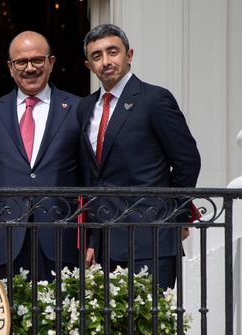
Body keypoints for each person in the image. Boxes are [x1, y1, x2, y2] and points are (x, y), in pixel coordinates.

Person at [77, 24, 201, 288]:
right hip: (104, 245)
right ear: (88, 65)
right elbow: (92, 177)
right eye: (97, 56)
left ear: (129, 55)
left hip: (151, 238)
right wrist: (91, 239)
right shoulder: (85, 107)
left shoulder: (154, 99)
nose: (106, 61)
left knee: (152, 328)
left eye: (113, 52)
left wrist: (177, 216)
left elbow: (187, 161)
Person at [0, 31, 81, 281]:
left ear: (51, 62)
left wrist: (90, 241)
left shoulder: (78, 109)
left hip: (61, 240)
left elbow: (89, 178)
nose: (29, 68)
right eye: (21, 62)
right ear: (10, 67)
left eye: (37, 60)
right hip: (4, 243)